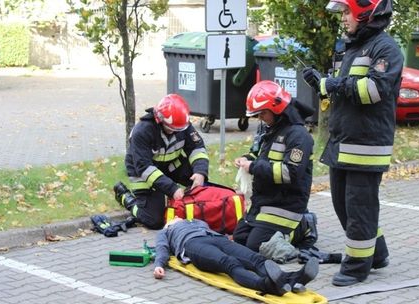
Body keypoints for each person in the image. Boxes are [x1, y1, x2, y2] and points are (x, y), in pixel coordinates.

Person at [302, 0, 403, 286]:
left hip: (367, 144)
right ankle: (377, 253)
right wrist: (320, 82)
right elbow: (340, 88)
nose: (343, 18)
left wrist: (332, 84)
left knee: (360, 207)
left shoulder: (386, 49)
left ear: (365, 11)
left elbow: (373, 90)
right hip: (343, 140)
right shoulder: (352, 47)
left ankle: (358, 266)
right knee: (343, 204)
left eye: (347, 12)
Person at [232, 80, 316, 253]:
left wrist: (254, 167)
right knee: (240, 239)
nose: (259, 118)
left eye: (262, 114)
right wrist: (246, 159)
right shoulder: (271, 129)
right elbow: (260, 156)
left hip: (286, 205)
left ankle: (303, 226)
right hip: (264, 202)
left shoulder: (298, 136)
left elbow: (289, 173)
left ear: (276, 109)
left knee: (256, 246)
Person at [113, 94, 209, 229]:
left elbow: (197, 149)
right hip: (143, 173)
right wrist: (172, 189)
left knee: (202, 186)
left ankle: (184, 203)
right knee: (153, 220)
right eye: (171, 129)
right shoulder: (142, 131)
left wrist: (200, 172)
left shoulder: (182, 124)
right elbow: (144, 167)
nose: (175, 132)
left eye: (178, 129)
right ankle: (126, 198)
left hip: (170, 166)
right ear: (159, 120)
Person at [153, 218, 319, 295]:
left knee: (255, 258)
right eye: (170, 219)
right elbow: (161, 248)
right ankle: (266, 285)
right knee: (229, 262)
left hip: (217, 238)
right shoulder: (166, 231)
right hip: (193, 245)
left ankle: (294, 278)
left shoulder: (196, 221)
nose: (174, 218)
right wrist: (159, 265)